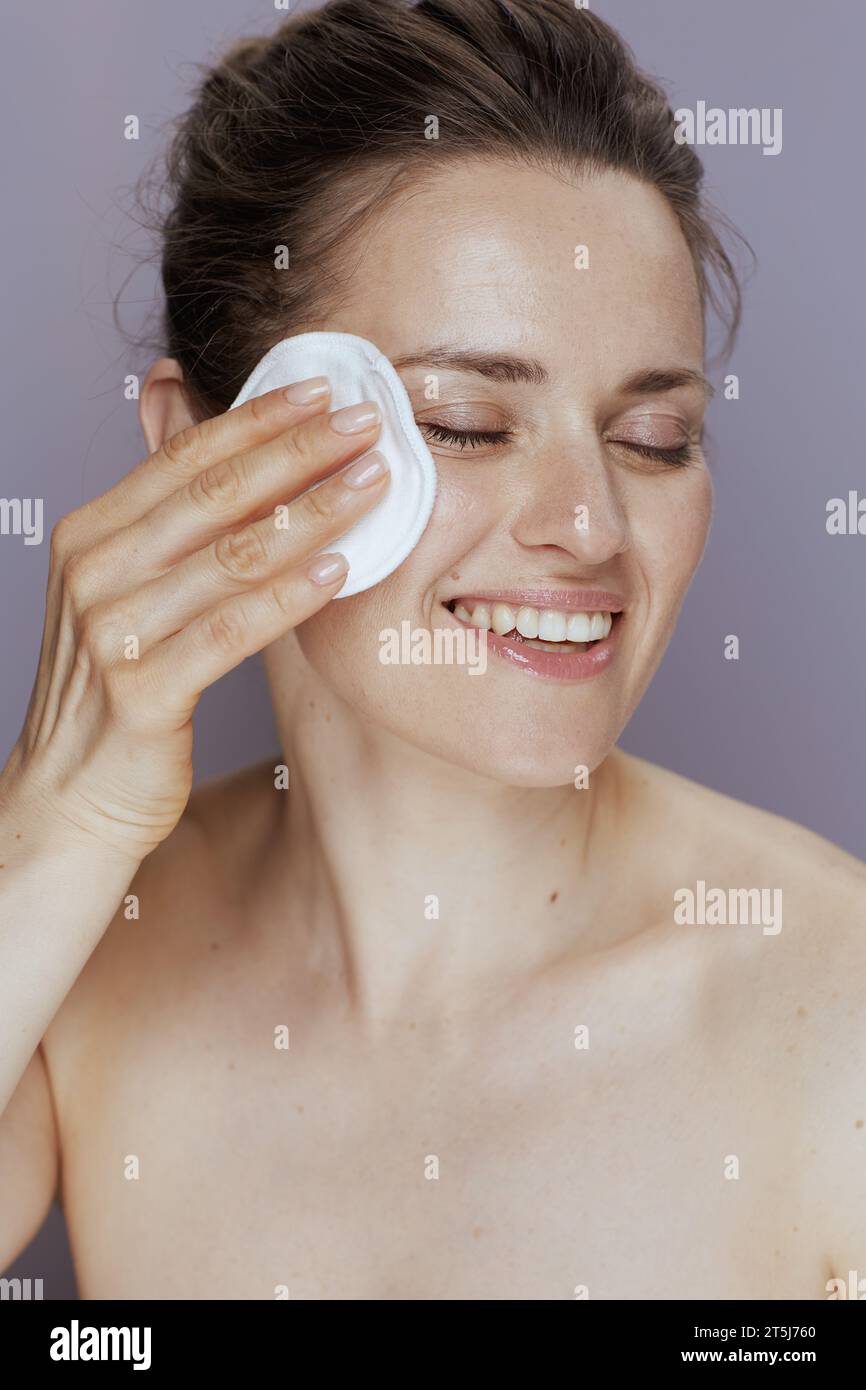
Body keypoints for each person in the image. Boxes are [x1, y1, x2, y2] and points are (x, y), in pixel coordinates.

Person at [1, 0, 864, 1300]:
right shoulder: (84, 959)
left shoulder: (831, 1023)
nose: (587, 528)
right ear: (196, 454)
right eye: (463, 422)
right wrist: (51, 833)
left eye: (651, 440)